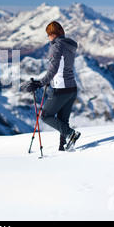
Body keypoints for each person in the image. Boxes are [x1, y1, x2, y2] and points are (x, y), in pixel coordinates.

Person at [23, 21, 80, 151]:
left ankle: (71, 134)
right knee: (62, 119)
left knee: (45, 115)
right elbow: (61, 67)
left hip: (60, 89)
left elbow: (53, 69)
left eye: (48, 35)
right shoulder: (69, 45)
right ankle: (63, 146)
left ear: (53, 34)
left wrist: (39, 83)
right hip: (72, 88)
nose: (48, 38)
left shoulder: (56, 46)